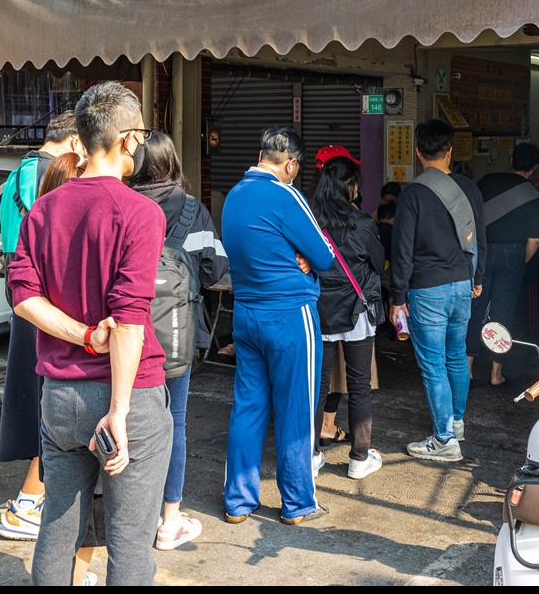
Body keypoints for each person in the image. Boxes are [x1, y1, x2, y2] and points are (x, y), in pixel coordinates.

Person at [9, 81, 173, 587]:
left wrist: (81, 334)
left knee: (58, 531)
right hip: (129, 399)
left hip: (60, 396)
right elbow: (129, 319)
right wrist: (119, 411)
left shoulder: (44, 209)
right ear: (128, 139)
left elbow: (23, 297)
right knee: (129, 544)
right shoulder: (142, 212)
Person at [221, 127, 334, 526]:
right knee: (296, 411)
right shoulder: (287, 195)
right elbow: (323, 256)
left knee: (248, 407)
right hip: (290, 316)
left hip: (246, 315)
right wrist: (304, 254)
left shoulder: (234, 195)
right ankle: (297, 503)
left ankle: (238, 501)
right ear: (290, 163)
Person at [127, 131, 229, 550]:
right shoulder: (193, 210)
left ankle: (130, 515)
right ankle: (169, 520)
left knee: (125, 421)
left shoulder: (122, 203)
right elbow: (214, 271)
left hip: (125, 331)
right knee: (175, 421)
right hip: (177, 334)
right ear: (172, 162)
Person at [0, 110, 83, 542]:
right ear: (73, 143)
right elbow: (52, 238)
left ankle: (33, 496)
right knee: (51, 399)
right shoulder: (51, 173)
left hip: (20, 289)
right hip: (43, 296)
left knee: (34, 395)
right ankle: (30, 501)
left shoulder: (17, 172)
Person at [390, 119, 486, 462]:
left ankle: (444, 440)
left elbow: (401, 250)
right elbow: (480, 239)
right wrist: (477, 278)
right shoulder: (469, 189)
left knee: (433, 365)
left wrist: (397, 297)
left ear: (418, 152)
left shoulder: (412, 193)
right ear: (450, 151)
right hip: (462, 283)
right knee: (456, 355)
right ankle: (456, 422)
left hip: (427, 288)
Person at [310, 152, 385, 480]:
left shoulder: (310, 221)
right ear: (351, 187)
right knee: (359, 385)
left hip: (320, 310)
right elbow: (379, 261)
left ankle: (311, 456)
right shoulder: (364, 223)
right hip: (356, 310)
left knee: (318, 386)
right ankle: (358, 458)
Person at [466, 142, 539, 387]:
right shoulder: (534, 196)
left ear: (512, 161)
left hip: (481, 250)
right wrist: (517, 261)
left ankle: (467, 369)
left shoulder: (487, 180)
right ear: (534, 168)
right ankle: (495, 373)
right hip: (512, 253)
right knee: (503, 313)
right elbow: (534, 240)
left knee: (474, 309)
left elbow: (471, 216)